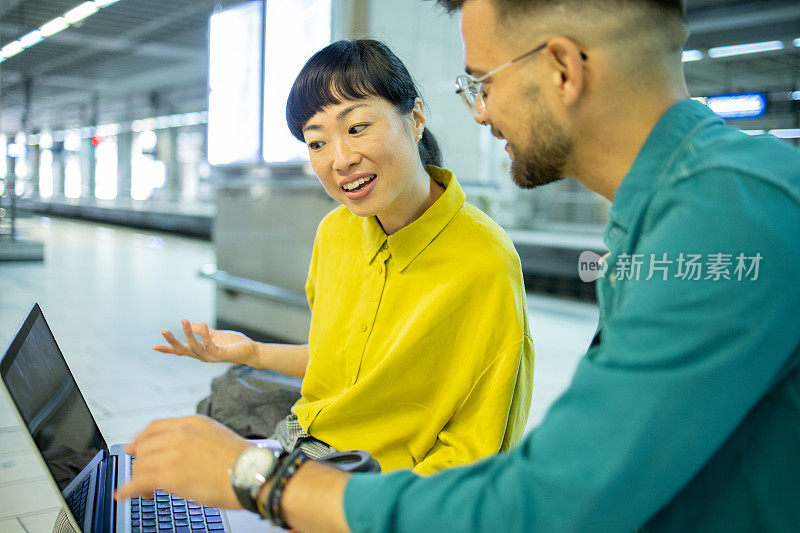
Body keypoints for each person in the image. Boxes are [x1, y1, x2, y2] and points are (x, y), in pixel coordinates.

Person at [117, 0, 800, 531]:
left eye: (482, 82)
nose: (479, 113)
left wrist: (255, 475)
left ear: (561, 68)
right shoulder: (673, 207)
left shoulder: (723, 217)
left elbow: (550, 500)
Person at [151, 39, 534, 476]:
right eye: (317, 143)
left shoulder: (483, 261)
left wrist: (335, 506)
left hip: (373, 488)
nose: (341, 160)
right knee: (219, 400)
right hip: (304, 443)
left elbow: (474, 452)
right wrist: (252, 352)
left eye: (356, 128)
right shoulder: (335, 232)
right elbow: (338, 368)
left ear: (415, 118)